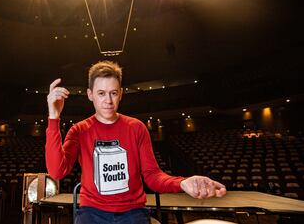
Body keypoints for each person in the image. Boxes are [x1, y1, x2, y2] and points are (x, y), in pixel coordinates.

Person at [46, 61, 227, 224]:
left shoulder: (136, 128)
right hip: (91, 212)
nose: (108, 101)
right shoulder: (79, 130)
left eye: (113, 93)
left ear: (121, 94)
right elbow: (57, 171)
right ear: (90, 94)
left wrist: (182, 183)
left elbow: (152, 176)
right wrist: (54, 118)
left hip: (132, 212)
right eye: (101, 93)